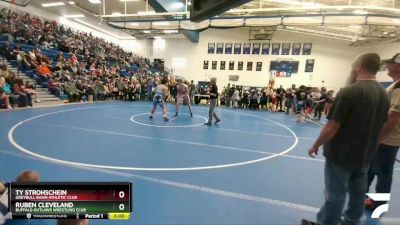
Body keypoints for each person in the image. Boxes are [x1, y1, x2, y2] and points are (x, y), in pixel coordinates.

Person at [302, 53, 390, 225]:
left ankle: (326, 223)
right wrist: (374, 146)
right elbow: (384, 126)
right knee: (358, 192)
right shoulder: (384, 94)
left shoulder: (350, 91)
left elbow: (332, 126)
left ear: (358, 66)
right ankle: (351, 221)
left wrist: (315, 145)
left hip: (342, 153)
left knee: (335, 194)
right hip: (365, 154)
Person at [365, 53, 400, 210]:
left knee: (383, 173)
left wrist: (378, 138)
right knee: (372, 169)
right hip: (384, 138)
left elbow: (393, 117)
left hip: (387, 139)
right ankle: (366, 195)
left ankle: (379, 204)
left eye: (391, 63)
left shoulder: (399, 88)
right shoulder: (395, 85)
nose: (388, 66)